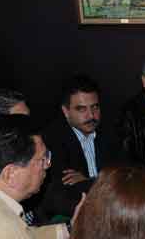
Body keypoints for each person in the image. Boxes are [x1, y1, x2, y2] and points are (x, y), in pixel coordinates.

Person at [40, 75, 122, 219]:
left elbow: (124, 177)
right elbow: (63, 196)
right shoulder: (52, 140)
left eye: (95, 107)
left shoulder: (110, 132)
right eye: (81, 109)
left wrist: (88, 181)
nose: (91, 116)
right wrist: (101, 181)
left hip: (113, 210)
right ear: (66, 112)